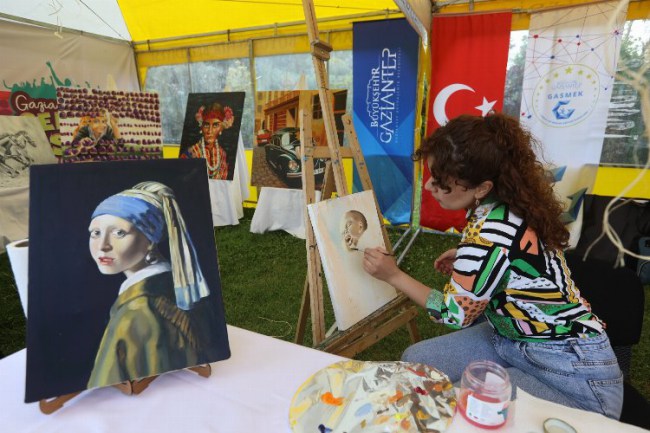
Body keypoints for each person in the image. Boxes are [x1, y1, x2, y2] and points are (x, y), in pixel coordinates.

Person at [363, 113, 623, 419]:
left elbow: (454, 313)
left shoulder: (489, 236)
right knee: (416, 362)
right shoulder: (510, 203)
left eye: (442, 181)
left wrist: (393, 275)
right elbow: (514, 257)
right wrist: (470, 258)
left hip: (575, 379)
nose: (430, 186)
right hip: (514, 339)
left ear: (482, 187)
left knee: (461, 407)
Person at [86, 181, 220, 389]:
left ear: (150, 239)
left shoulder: (137, 311)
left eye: (119, 233)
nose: (103, 246)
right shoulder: (177, 287)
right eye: (95, 233)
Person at [181, 102, 235, 180]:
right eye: (206, 125)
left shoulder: (222, 154)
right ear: (201, 127)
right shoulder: (190, 153)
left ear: (221, 128)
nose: (210, 131)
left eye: (215, 125)